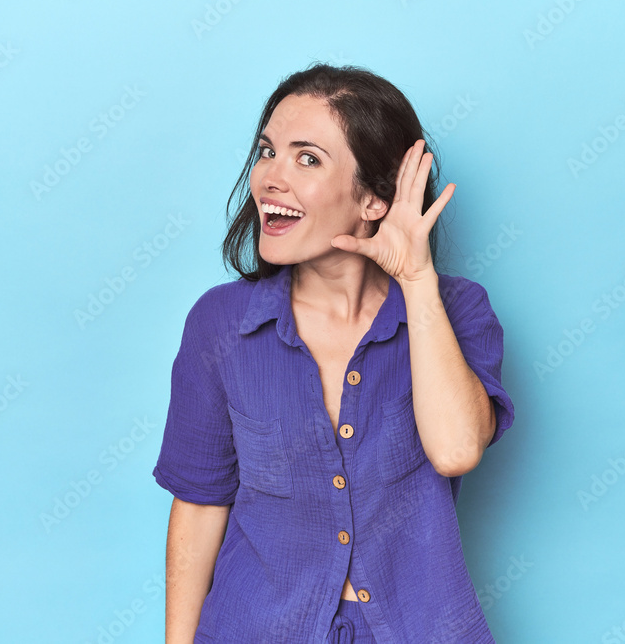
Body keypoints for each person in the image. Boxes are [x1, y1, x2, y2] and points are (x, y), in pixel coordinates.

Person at [152, 62, 515, 643]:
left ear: (373, 199)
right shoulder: (219, 324)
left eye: (308, 159)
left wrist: (417, 281)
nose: (270, 177)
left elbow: (455, 450)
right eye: (267, 152)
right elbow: (198, 508)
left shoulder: (458, 311)